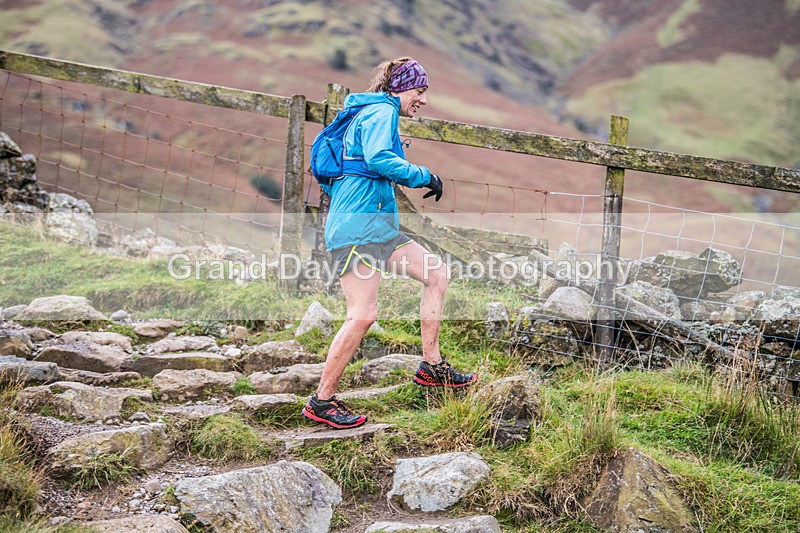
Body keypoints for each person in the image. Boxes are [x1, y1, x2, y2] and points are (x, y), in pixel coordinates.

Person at [302, 57, 478, 430]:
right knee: (363, 314)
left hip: (379, 229)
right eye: (419, 91)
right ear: (399, 88)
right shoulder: (381, 112)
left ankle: (432, 366)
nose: (423, 100)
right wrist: (424, 175)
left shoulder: (375, 112)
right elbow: (380, 159)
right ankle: (322, 401)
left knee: (436, 273)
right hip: (357, 231)